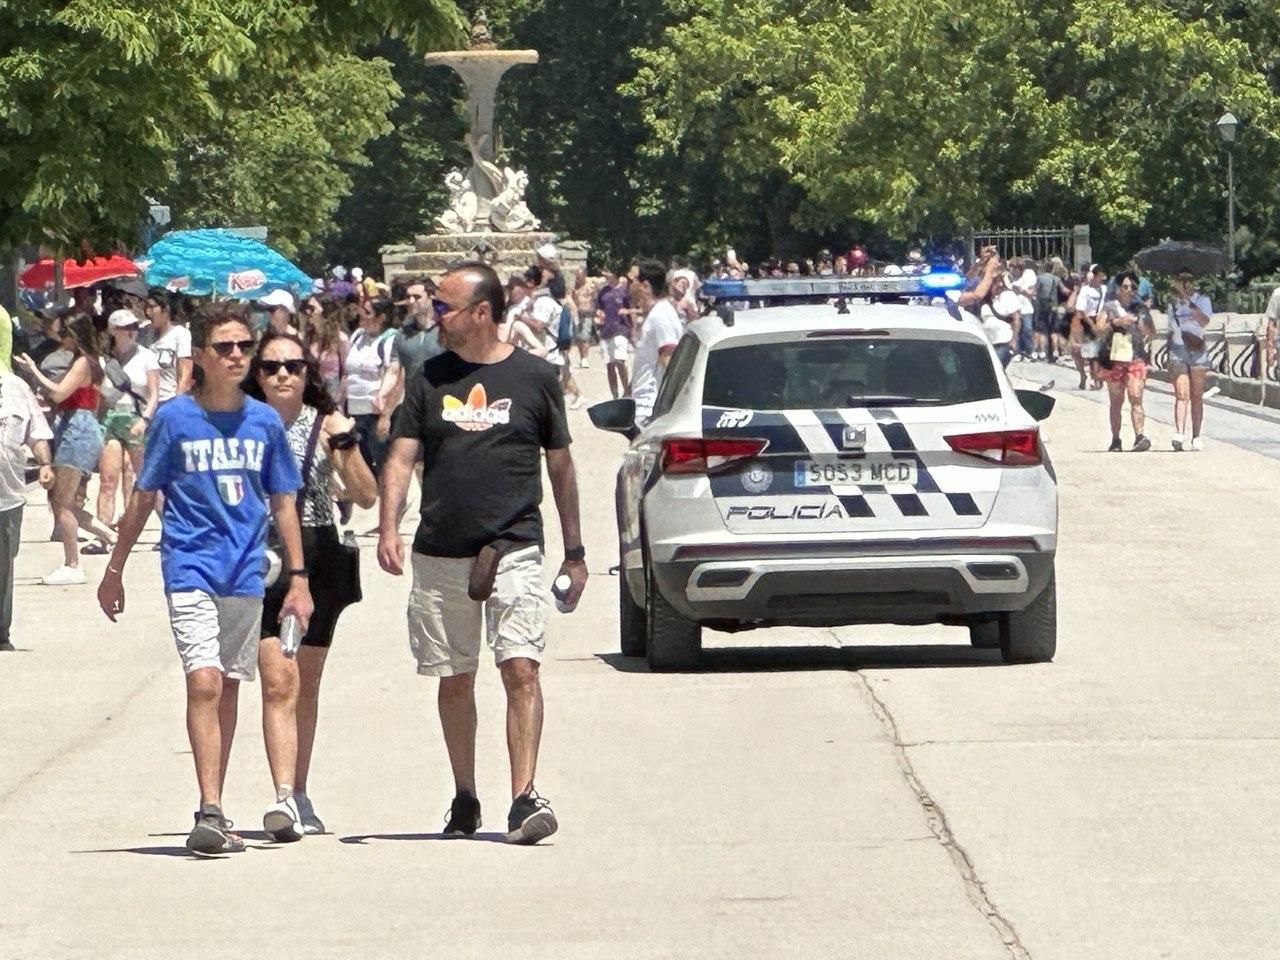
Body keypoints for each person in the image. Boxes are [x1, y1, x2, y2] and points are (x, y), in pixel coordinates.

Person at [377, 262, 587, 845]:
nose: (434, 315)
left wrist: (574, 551)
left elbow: (561, 466)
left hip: (514, 545)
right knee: (454, 676)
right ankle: (466, 795)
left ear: (483, 312)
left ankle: (524, 797)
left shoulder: (536, 378)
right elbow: (399, 457)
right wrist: (388, 526)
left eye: (445, 306)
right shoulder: (428, 377)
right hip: (441, 550)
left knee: (520, 666)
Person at [97, 305, 314, 855]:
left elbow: (283, 502)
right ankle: (209, 806)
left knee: (230, 685)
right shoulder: (175, 417)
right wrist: (114, 568)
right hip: (188, 565)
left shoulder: (264, 421)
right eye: (224, 347)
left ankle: (218, 812)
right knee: (205, 680)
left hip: (245, 572)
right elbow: (145, 494)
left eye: (244, 346)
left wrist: (298, 577)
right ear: (202, 358)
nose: (236, 356)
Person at [244, 333, 377, 834]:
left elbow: (365, 496)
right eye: (272, 366)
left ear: (308, 373)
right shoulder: (242, 421)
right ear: (257, 372)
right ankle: (283, 794)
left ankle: (300, 789)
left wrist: (344, 444)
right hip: (260, 557)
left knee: (307, 683)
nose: (283, 374)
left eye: (293, 366)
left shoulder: (326, 425)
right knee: (278, 677)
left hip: (320, 555)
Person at [14, 313, 115, 583]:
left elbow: (60, 392)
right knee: (64, 500)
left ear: (76, 335)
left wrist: (32, 371)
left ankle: (73, 565)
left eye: (65, 335)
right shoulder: (86, 362)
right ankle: (107, 534)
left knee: (62, 502)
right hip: (77, 427)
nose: (62, 340)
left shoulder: (83, 362)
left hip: (77, 430)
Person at [0, 370, 54, 650]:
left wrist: (45, 464)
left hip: (7, 496)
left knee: (4, 566)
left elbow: (37, 432)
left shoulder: (15, 387)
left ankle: (0, 633)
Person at [94, 309, 160, 537]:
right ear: (113, 331)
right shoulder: (104, 360)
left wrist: (145, 419)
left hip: (136, 417)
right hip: (110, 419)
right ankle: (103, 534)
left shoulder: (147, 356)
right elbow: (99, 396)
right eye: (127, 328)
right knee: (108, 479)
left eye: (135, 327)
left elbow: (154, 394)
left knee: (146, 478)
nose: (133, 332)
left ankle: (168, 530)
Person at [1095, 271, 1155, 452]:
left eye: (1133, 287)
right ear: (1119, 288)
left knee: (1136, 396)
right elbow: (1098, 329)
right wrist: (1117, 323)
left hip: (1135, 356)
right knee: (1116, 401)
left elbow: (1151, 332)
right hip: (1114, 358)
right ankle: (1116, 439)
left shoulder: (1140, 308)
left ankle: (1140, 435)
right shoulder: (1110, 307)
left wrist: (1142, 326)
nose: (1130, 290)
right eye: (1126, 287)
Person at [344, 297, 397, 477]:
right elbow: (347, 372)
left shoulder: (390, 339)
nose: (361, 319)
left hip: (375, 413)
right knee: (361, 464)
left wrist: (384, 410)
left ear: (382, 317)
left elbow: (393, 372)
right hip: (354, 410)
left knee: (383, 463)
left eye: (367, 314)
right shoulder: (357, 335)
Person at [629, 260, 686, 425]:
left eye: (634, 280)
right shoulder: (656, 313)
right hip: (645, 406)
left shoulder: (662, 315)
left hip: (651, 409)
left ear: (644, 285)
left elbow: (670, 360)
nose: (630, 284)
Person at [1166, 271, 1213, 451]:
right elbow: (1171, 326)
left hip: (1197, 348)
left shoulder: (1203, 300)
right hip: (1178, 349)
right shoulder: (1172, 302)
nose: (1184, 283)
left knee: (1196, 395)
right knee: (1182, 393)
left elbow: (1204, 321)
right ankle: (1179, 433)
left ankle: (1196, 435)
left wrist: (1189, 303)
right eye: (1180, 279)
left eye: (1188, 280)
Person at [143, 290, 194, 402]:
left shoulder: (180, 334)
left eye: (151, 307)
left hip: (167, 400)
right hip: (144, 402)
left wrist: (178, 401)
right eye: (146, 307)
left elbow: (185, 372)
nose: (147, 312)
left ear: (166, 309)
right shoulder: (145, 332)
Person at [300, 295, 348, 403]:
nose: (308, 312)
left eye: (312, 308)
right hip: (310, 395)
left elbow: (346, 373)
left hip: (332, 396)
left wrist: (339, 400)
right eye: (308, 308)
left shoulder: (340, 339)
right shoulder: (305, 338)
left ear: (325, 312)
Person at [596, 268, 632, 399]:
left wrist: (631, 327)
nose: (604, 274)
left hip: (621, 329)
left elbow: (631, 309)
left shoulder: (624, 292)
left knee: (619, 360)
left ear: (615, 274)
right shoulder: (603, 292)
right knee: (609, 365)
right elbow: (599, 308)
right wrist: (599, 315)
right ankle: (615, 396)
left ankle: (627, 391)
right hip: (606, 331)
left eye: (607, 272)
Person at [1072, 265, 1107, 390]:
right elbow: (1080, 310)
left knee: (1095, 353)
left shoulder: (1104, 289)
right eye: (1097, 277)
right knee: (1076, 352)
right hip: (1086, 320)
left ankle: (1096, 378)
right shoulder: (1085, 290)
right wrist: (1091, 325)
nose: (1099, 280)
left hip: (1101, 320)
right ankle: (1083, 375)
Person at [571, 269, 596, 369]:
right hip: (577, 314)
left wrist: (593, 310)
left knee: (585, 335)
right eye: (577, 276)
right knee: (578, 337)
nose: (578, 278)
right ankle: (582, 357)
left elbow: (595, 299)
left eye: (579, 276)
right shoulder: (574, 288)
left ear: (584, 275)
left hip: (587, 314)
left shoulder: (590, 287)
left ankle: (585, 358)